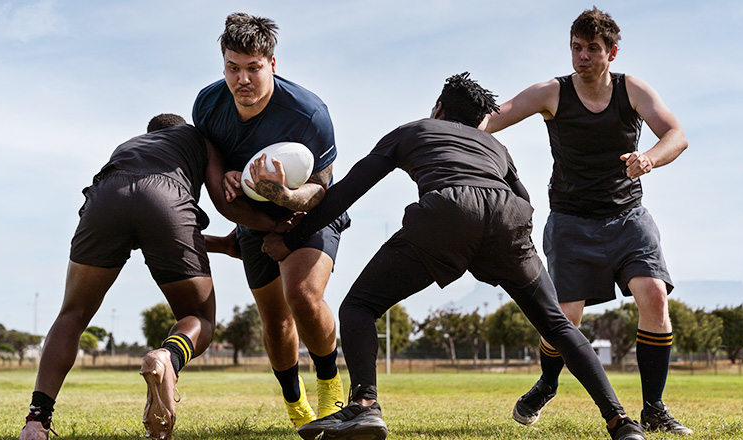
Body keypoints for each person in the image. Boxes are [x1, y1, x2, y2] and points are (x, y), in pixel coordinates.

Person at [262, 73, 645, 440]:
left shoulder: (414, 130)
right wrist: (489, 252)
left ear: (438, 107)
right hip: (508, 218)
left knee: (360, 307)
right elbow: (524, 200)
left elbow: (346, 192)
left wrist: (293, 238)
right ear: (480, 120)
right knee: (559, 325)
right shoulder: (497, 147)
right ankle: (621, 422)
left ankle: (364, 404)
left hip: (448, 210)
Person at [483, 7, 691, 435]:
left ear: (611, 52)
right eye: (576, 48)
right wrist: (448, 130)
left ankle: (653, 407)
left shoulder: (631, 89)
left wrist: (649, 158)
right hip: (572, 222)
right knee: (565, 317)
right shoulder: (551, 92)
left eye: (592, 49)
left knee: (654, 295)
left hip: (628, 217)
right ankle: (546, 382)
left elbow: (676, 134)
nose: (582, 57)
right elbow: (495, 117)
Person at [18, 113, 277, 440]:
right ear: (182, 128)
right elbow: (202, 209)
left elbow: (139, 225)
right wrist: (276, 226)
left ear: (150, 134)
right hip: (165, 199)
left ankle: (36, 421)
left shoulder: (129, 146)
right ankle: (166, 357)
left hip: (106, 197)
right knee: (197, 316)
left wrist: (222, 247)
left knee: (72, 313)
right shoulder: (197, 139)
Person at [192, 12, 350, 428]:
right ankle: (296, 404)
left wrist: (284, 196)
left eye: (253, 68)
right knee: (275, 321)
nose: (242, 79)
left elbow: (320, 187)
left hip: (311, 212)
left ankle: (331, 388)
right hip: (254, 219)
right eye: (232, 68)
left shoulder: (309, 113)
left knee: (301, 294)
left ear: (272, 65)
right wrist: (229, 176)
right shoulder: (208, 105)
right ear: (223, 64)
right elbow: (218, 180)